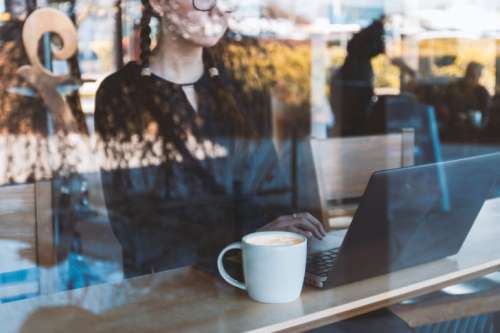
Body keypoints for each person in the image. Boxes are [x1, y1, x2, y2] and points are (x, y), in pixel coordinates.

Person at [95, 0, 325, 278]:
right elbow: (139, 228)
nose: (219, 9)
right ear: (158, 3)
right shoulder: (122, 94)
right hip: (176, 290)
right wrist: (246, 241)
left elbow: (271, 194)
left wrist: (285, 231)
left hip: (260, 271)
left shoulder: (243, 89)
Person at [442, 61, 491, 138]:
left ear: (479, 77)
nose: (470, 79)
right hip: (452, 129)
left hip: (475, 133)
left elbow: (485, 115)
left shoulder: (482, 93)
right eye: (469, 75)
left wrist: (473, 119)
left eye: (474, 76)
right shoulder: (454, 88)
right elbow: (444, 106)